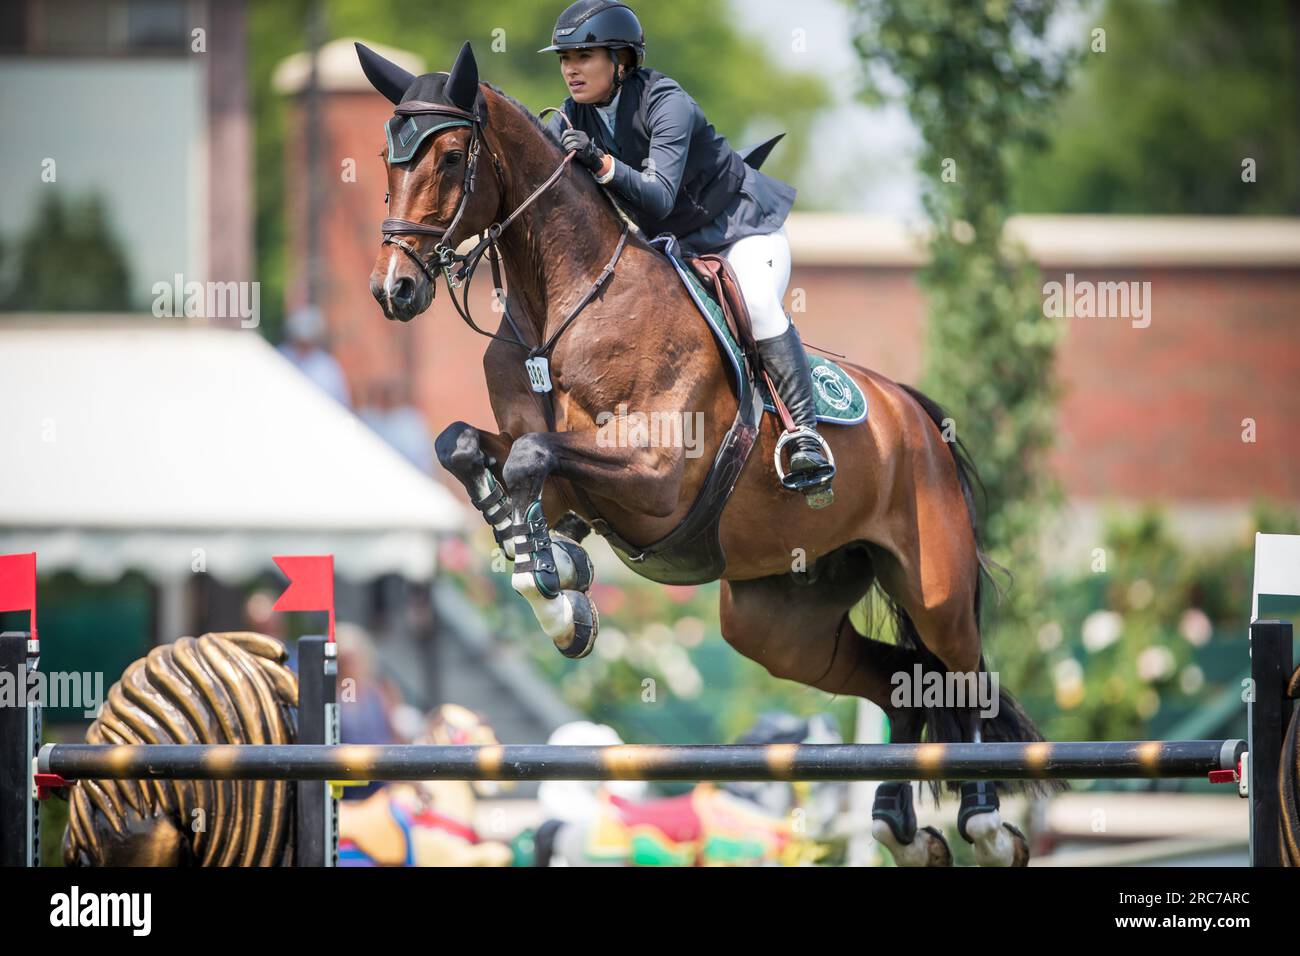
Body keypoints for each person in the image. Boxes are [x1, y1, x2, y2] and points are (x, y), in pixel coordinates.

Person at [539, 0, 834, 490]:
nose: (571, 69)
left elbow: (656, 197)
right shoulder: (573, 116)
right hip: (671, 246)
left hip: (738, 229)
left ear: (622, 60)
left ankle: (805, 434)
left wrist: (601, 163)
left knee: (759, 304)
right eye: (565, 58)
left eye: (584, 56)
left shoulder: (665, 101)